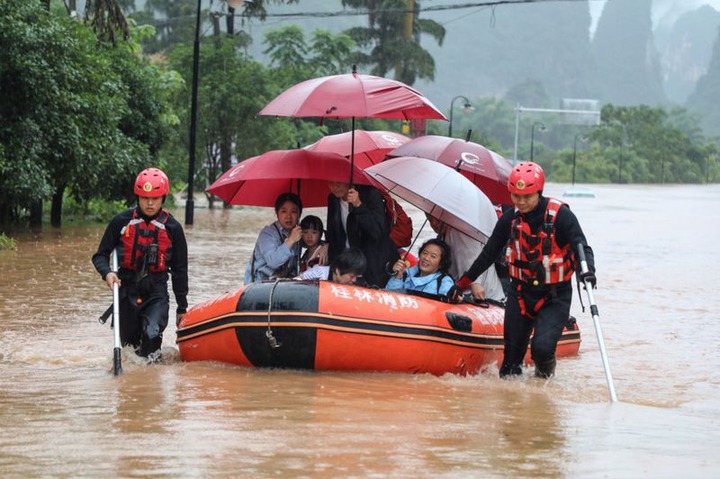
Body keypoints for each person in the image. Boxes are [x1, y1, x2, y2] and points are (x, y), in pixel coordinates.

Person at [449, 162, 596, 379]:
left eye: (527, 196)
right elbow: (488, 254)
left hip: (554, 296)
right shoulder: (510, 219)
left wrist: (588, 271)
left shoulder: (561, 216)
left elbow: (581, 246)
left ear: (539, 192)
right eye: (516, 196)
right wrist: (462, 284)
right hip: (520, 294)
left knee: (542, 349)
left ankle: (543, 388)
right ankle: (514, 405)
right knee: (510, 363)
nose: (521, 202)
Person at [92, 167, 188, 361]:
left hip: (156, 291)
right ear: (137, 197)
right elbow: (100, 256)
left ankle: (150, 385)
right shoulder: (121, 221)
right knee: (130, 348)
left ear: (163, 198)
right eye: (145, 198)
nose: (150, 203)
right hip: (127, 289)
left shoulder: (173, 228)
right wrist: (107, 273)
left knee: (151, 336)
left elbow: (180, 271)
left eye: (155, 198)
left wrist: (182, 308)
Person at [324, 182, 399, 288]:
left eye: (338, 183)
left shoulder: (370, 194)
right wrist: (327, 245)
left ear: (348, 180)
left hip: (372, 259)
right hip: (347, 258)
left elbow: (377, 232)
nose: (334, 187)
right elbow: (333, 229)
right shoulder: (333, 199)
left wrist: (358, 205)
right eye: (330, 183)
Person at [425, 213, 505, 303]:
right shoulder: (443, 235)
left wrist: (474, 283)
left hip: (484, 296)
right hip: (462, 291)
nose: (434, 224)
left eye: (438, 219)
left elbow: (473, 256)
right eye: (430, 220)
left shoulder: (461, 230)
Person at [245, 192, 303, 283]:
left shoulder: (298, 232)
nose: (288, 216)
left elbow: (312, 242)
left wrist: (323, 247)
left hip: (284, 284)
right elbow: (273, 262)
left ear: (299, 215)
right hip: (259, 284)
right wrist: (291, 240)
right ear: (277, 213)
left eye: (294, 212)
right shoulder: (267, 234)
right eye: (284, 211)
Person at [386, 238, 455, 296]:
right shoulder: (406, 273)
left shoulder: (444, 282)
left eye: (433, 256)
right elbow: (390, 297)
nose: (426, 258)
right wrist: (397, 277)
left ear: (441, 263)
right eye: (425, 253)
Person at [296, 246, 366, 285]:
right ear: (338, 271)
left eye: (356, 276)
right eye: (351, 276)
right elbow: (294, 283)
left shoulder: (357, 282)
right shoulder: (318, 274)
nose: (354, 280)